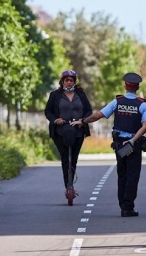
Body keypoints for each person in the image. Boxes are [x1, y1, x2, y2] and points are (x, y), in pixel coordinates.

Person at [73, 72, 146, 217]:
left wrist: (82, 121)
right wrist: (133, 140)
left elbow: (98, 115)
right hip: (133, 145)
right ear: (138, 87)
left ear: (125, 86)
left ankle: (123, 205)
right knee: (133, 176)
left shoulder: (117, 102)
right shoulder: (143, 105)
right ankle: (128, 207)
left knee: (122, 175)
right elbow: (145, 126)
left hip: (120, 144)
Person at [44, 69, 93, 198]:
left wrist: (83, 121)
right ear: (62, 81)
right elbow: (48, 112)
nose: (69, 83)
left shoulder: (81, 94)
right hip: (61, 130)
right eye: (67, 80)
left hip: (78, 130)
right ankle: (68, 187)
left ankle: (71, 184)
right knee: (65, 158)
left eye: (71, 80)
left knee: (74, 158)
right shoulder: (55, 95)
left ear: (75, 82)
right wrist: (55, 120)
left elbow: (89, 111)